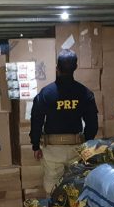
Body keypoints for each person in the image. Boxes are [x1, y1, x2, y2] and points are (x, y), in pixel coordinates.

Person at [30, 49, 98, 194]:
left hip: (53, 150)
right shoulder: (85, 93)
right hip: (76, 148)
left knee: (53, 188)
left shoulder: (46, 93)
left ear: (57, 68)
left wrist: (35, 145)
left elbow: (36, 120)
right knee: (76, 187)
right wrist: (87, 144)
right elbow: (92, 123)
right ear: (75, 67)